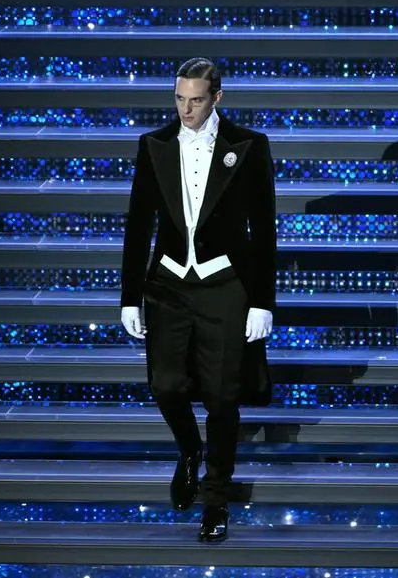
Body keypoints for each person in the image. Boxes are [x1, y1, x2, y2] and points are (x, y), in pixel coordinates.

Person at [119, 57, 277, 542]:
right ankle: (190, 450)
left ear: (217, 98)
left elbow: (264, 230)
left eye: (196, 100)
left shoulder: (248, 146)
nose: (186, 109)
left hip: (225, 285)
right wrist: (129, 297)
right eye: (180, 99)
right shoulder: (155, 145)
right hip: (167, 284)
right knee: (166, 385)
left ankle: (215, 502)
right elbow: (138, 223)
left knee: (222, 399)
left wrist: (262, 302)